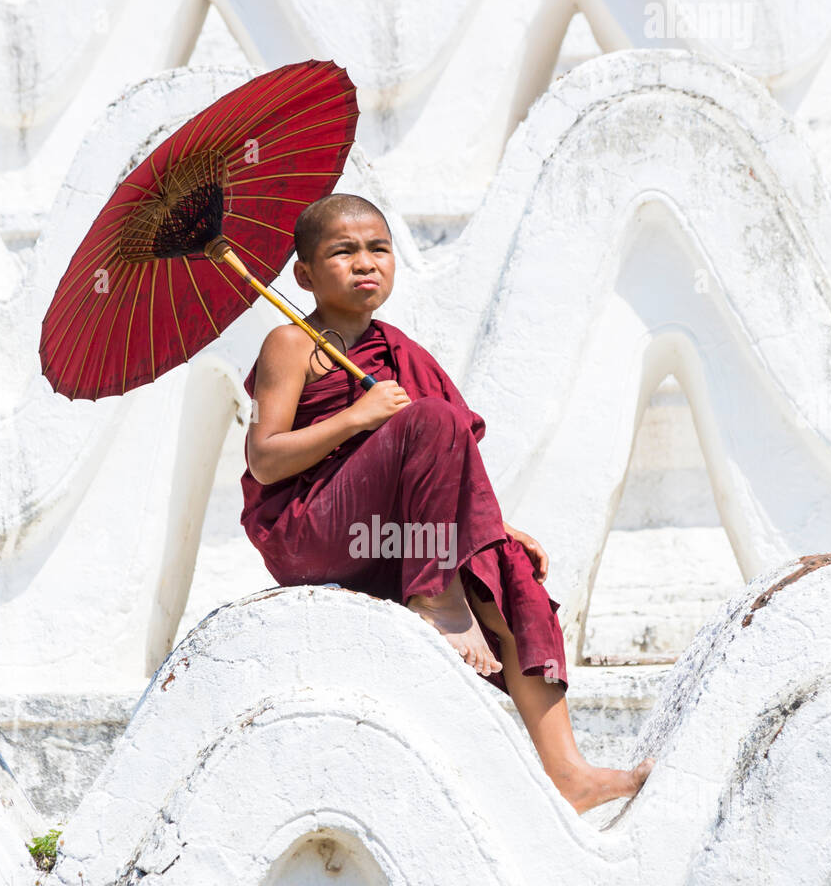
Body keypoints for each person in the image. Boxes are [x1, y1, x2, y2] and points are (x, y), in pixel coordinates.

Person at [240, 193, 654, 814]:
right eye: (342, 252)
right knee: (429, 417)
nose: (365, 264)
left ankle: (569, 772)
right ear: (304, 274)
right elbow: (265, 458)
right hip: (315, 531)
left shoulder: (399, 349)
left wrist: (495, 526)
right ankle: (435, 596)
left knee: (505, 565)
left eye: (378, 249)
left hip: (391, 538)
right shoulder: (290, 343)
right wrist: (357, 416)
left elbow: (441, 463)